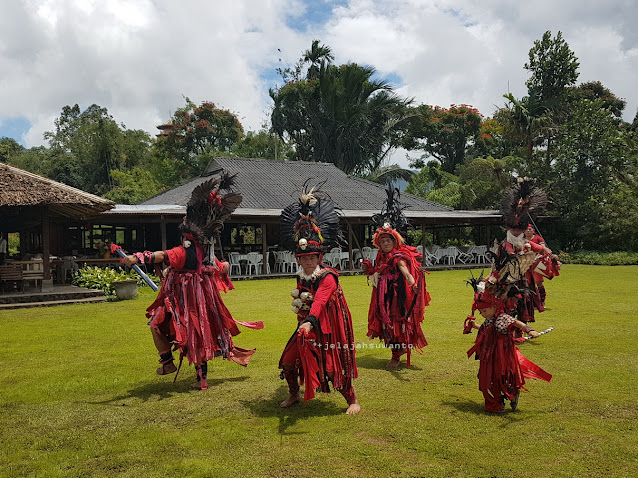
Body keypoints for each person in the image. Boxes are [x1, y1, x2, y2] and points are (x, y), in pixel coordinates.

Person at [122, 173, 263, 390]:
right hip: (202, 303)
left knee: (157, 325)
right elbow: (219, 267)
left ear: (186, 236)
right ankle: (201, 379)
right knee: (199, 334)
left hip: (185, 302)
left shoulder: (184, 250)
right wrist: (224, 267)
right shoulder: (205, 253)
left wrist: (138, 257)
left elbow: (163, 255)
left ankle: (167, 363)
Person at [278, 185, 360, 414]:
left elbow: (320, 301)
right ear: (298, 260)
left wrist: (308, 320)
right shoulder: (302, 276)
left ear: (319, 257)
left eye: (312, 258)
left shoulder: (328, 277)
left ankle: (352, 399)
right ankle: (294, 393)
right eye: (304, 259)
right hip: (305, 327)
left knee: (332, 369)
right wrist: (303, 322)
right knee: (287, 361)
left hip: (327, 328)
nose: (308, 262)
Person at [464, 264, 552, 413]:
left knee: (503, 375)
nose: (483, 313)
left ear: (495, 306)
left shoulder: (502, 317)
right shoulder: (489, 320)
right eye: (480, 311)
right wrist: (474, 326)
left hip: (502, 355)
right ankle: (496, 403)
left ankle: (510, 395)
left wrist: (530, 330)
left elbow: (516, 322)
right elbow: (486, 330)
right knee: (487, 378)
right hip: (489, 355)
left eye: (484, 310)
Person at [362, 187, 430, 368]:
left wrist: (413, 284)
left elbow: (405, 271)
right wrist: (368, 270)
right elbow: (376, 272)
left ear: (394, 242)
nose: (385, 244)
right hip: (382, 295)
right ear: (379, 243)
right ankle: (395, 352)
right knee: (386, 324)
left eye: (388, 241)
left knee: (397, 323)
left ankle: (396, 355)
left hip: (396, 296)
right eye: (382, 241)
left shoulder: (398, 257)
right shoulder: (379, 257)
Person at [498, 178, 552, 323]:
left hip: (524, 281)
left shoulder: (526, 242)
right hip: (507, 279)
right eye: (514, 229)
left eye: (519, 229)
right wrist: (515, 255)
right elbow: (509, 252)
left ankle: (520, 331)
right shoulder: (505, 244)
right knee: (508, 304)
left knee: (524, 303)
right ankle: (508, 327)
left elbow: (542, 249)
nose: (516, 232)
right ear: (508, 229)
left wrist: (547, 252)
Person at [524, 224, 560, 307]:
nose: (528, 231)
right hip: (526, 264)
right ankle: (530, 303)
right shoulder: (522, 240)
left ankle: (542, 302)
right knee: (526, 283)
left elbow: (543, 248)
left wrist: (537, 257)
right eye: (526, 229)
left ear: (533, 230)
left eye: (530, 229)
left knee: (538, 282)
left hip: (537, 263)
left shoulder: (538, 238)